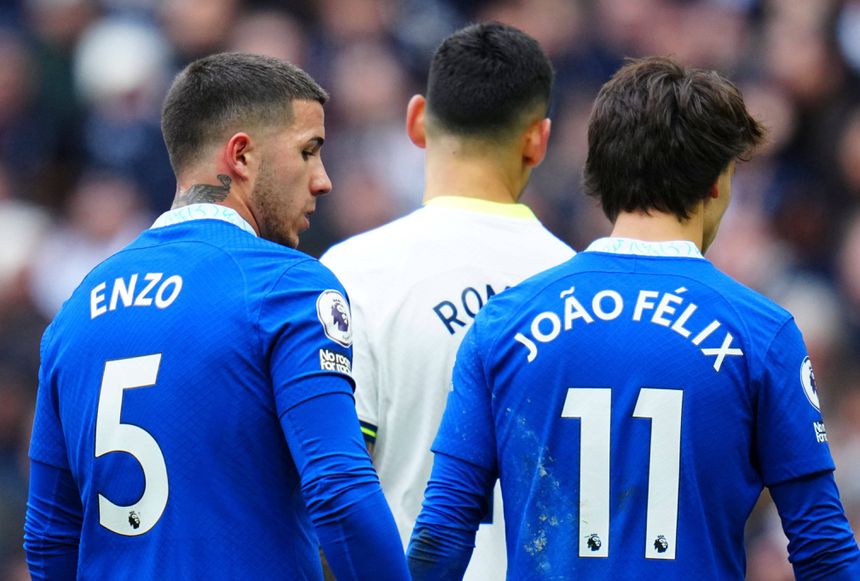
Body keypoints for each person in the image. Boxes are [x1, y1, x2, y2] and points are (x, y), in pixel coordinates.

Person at [407, 56, 860, 580]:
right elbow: (822, 547)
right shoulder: (762, 333)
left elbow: (441, 532)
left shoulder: (502, 325)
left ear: (600, 174)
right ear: (716, 183)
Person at [23, 52, 409, 580]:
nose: (323, 180)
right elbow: (339, 490)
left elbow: (48, 536)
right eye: (309, 151)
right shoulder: (286, 284)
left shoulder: (78, 308)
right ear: (242, 157)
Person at [321, 21, 574, 580]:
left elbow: (334, 487)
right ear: (538, 138)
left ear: (416, 120)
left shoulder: (352, 272)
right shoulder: (579, 287)